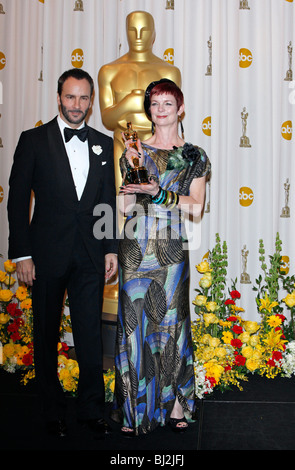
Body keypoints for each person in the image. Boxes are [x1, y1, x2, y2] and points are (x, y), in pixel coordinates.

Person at [7, 68, 118, 438]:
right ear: (58, 98)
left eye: (84, 98)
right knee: (45, 333)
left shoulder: (104, 143)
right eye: (70, 97)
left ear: (91, 100)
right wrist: (22, 254)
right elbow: (18, 200)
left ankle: (91, 410)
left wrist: (111, 250)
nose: (77, 105)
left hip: (90, 256)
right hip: (45, 255)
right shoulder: (33, 140)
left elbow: (107, 203)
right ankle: (51, 410)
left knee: (89, 333)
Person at [112, 79, 211, 436]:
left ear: (180, 108)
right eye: (155, 103)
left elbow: (197, 208)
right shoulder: (134, 150)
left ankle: (175, 405)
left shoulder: (194, 155)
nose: (162, 109)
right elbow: (124, 207)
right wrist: (132, 176)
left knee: (172, 323)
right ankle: (132, 409)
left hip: (170, 249)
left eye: (168, 102)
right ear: (148, 109)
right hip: (136, 247)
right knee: (134, 324)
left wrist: (159, 193)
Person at [98, 10, 181, 192]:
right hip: (123, 141)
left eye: (144, 30)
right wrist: (127, 103)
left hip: (160, 144)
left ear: (153, 34)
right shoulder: (109, 70)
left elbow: (172, 116)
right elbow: (107, 120)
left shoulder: (169, 72)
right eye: (132, 30)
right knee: (124, 204)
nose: (138, 36)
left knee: (160, 204)